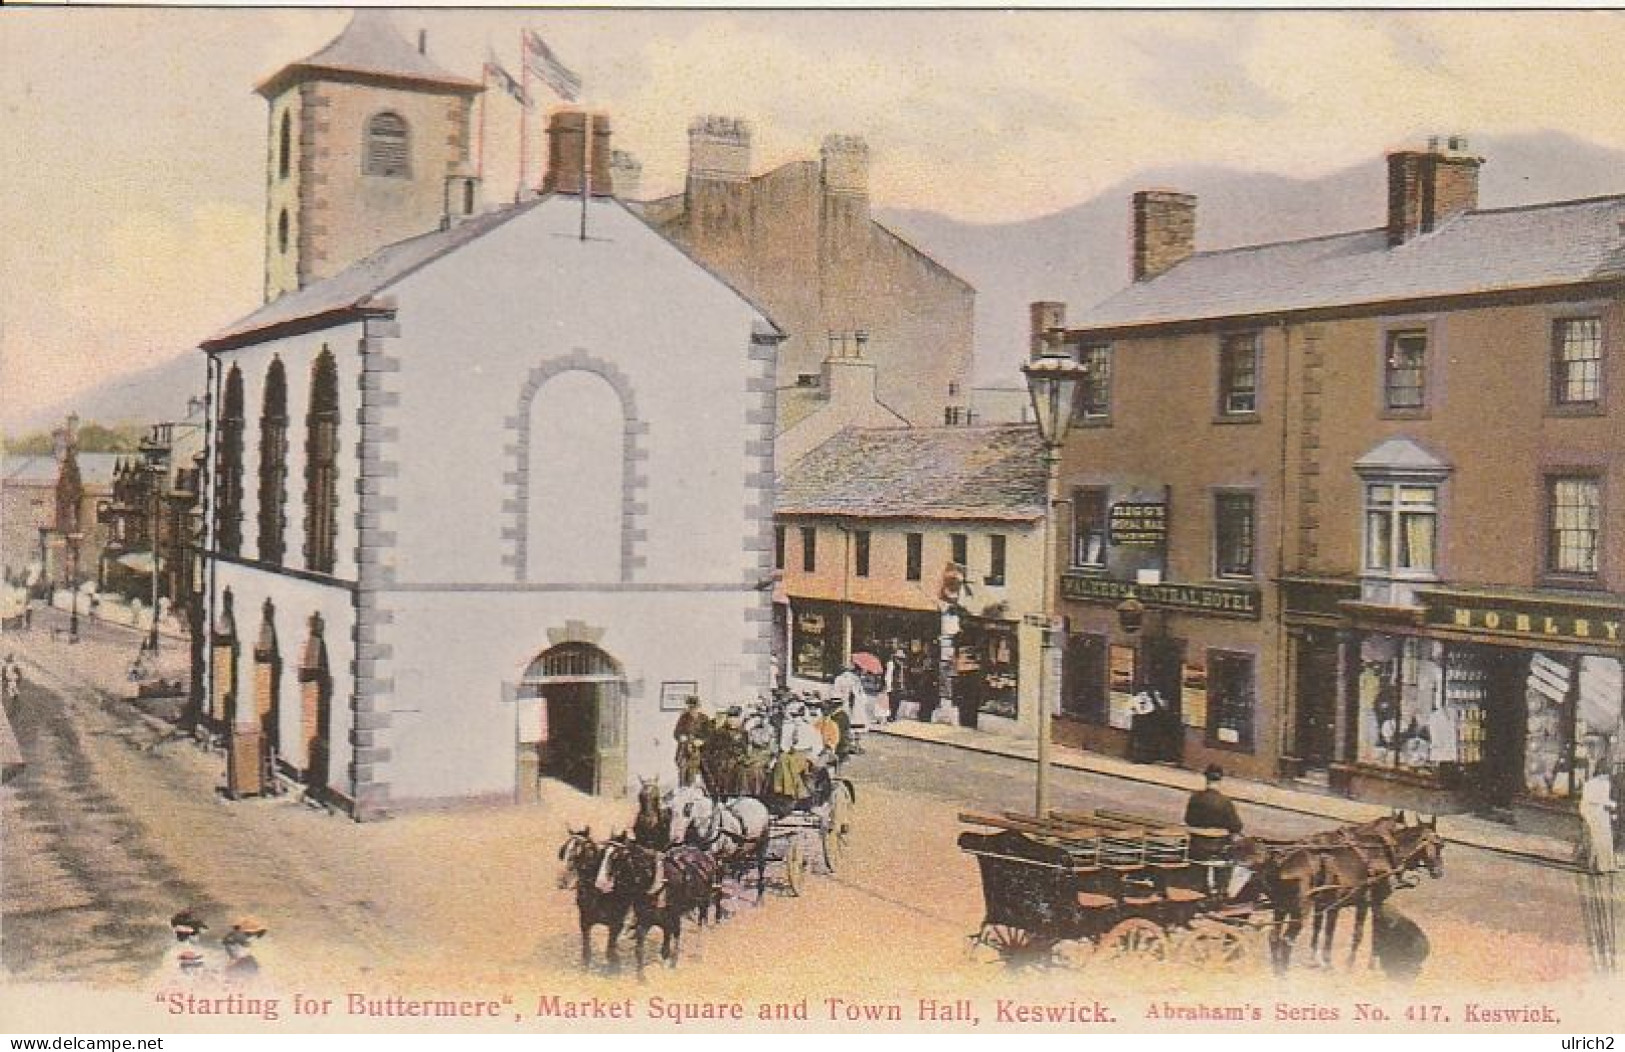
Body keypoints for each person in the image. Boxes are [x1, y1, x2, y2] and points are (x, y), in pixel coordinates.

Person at [1579, 754, 1617, 874]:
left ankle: (1607, 864)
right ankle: (1598, 865)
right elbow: (1598, 800)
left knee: (1606, 836)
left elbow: (1600, 800)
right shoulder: (1598, 783)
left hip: (1597, 811)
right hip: (1594, 812)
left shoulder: (1599, 783)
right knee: (1599, 837)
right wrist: (1612, 805)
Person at [1185, 764, 1243, 835]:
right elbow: (1237, 826)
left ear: (1206, 779)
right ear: (1220, 780)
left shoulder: (1195, 798)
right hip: (1217, 844)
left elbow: (1188, 820)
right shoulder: (1225, 802)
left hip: (1197, 842)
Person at [672, 696, 708, 788]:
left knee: (695, 773)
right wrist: (681, 737)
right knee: (683, 771)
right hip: (684, 749)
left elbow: (708, 734)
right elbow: (676, 733)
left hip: (698, 750)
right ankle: (682, 791)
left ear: (699, 707)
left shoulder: (704, 718)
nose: (693, 710)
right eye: (690, 707)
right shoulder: (683, 718)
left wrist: (702, 741)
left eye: (695, 707)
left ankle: (693, 792)